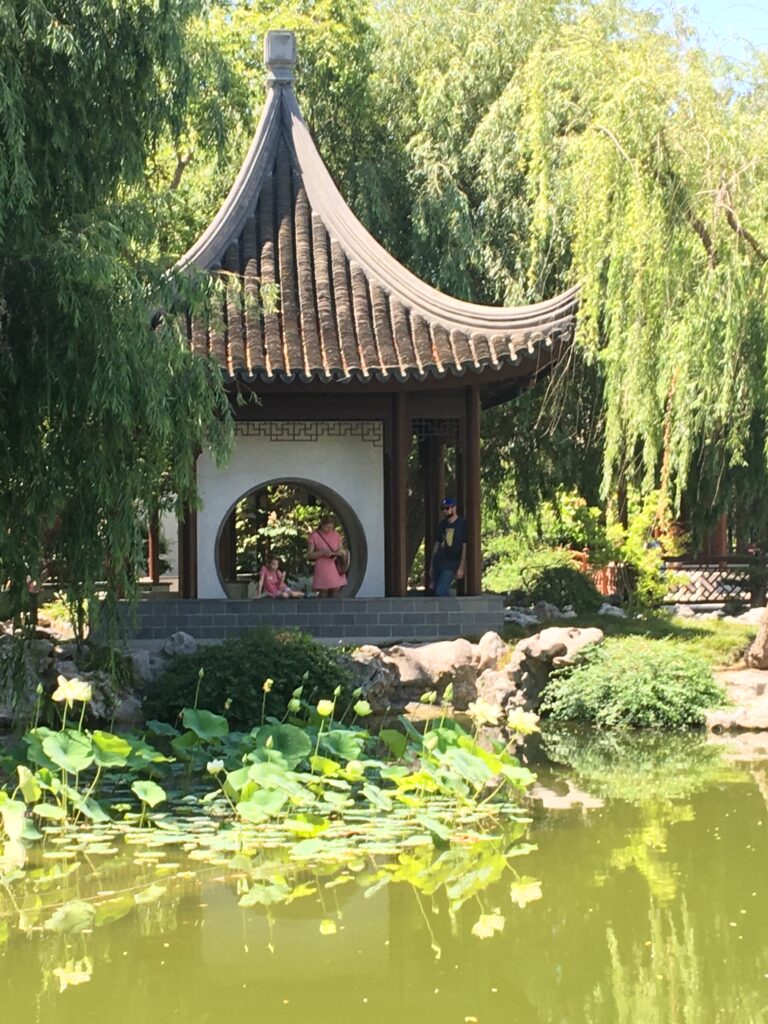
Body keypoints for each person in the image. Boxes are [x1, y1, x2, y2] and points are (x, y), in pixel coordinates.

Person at [430, 497, 467, 597]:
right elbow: (437, 543)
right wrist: (432, 565)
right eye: (443, 509)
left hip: (452, 562)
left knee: (441, 591)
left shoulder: (462, 524)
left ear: (454, 508)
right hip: (439, 560)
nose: (445, 511)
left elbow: (464, 546)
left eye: (447, 508)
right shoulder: (442, 524)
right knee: (436, 590)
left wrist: (461, 567)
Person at [307, 515, 348, 597]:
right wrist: (322, 553)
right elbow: (309, 555)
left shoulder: (336, 535)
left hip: (335, 564)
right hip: (322, 565)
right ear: (322, 525)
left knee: (336, 588)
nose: (329, 530)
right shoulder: (314, 535)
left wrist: (338, 552)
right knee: (323, 590)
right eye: (327, 527)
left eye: (331, 528)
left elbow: (342, 550)